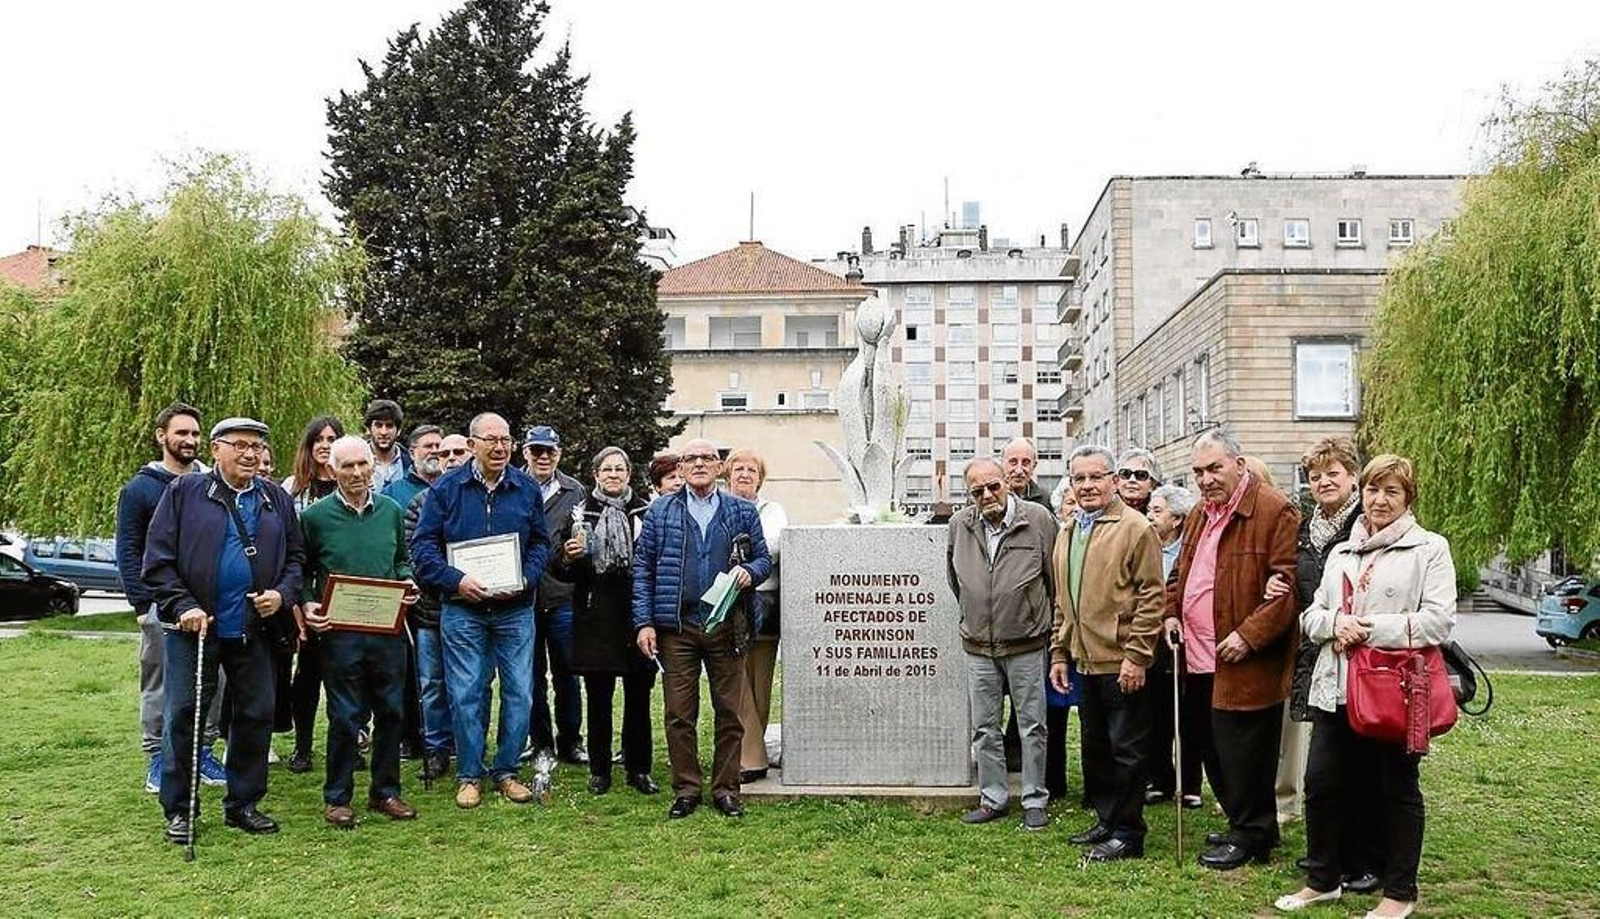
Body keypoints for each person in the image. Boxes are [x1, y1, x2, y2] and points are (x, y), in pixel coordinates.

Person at [1273, 455, 1455, 919]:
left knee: (1395, 789)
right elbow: (1310, 615)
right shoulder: (1341, 552)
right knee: (1321, 784)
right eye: (1374, 490)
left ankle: (1399, 893)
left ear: (1407, 499)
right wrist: (1335, 622)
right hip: (1335, 686)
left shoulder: (1429, 548)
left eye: (1391, 492)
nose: (1379, 500)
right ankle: (1323, 880)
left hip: (1394, 691)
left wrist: (1367, 628)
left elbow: (1437, 621)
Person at [143, 416, 303, 843]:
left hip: (255, 628)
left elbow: (296, 560)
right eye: (241, 445)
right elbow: (157, 562)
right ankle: (179, 809)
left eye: (258, 446)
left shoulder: (275, 499)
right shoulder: (184, 493)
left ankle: (243, 803)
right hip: (195, 629)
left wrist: (282, 596)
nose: (251, 454)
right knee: (185, 715)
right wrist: (184, 605)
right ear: (216, 449)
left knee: (255, 714)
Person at [1166, 429, 1300, 870]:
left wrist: (1248, 635)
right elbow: (1178, 578)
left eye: (1214, 468)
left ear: (1239, 464)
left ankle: (1253, 835)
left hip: (1244, 661)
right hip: (1198, 657)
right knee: (1213, 749)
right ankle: (1242, 823)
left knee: (1245, 753)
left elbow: (1286, 589)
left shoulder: (1273, 509)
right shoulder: (1200, 515)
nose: (1205, 479)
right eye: (1198, 472)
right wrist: (1172, 614)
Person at [411, 412, 550, 809]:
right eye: (491, 439)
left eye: (506, 439)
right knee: (466, 691)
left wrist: (527, 576)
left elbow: (540, 542)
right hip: (463, 608)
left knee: (520, 692)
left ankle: (506, 771)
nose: (500, 446)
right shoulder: (446, 490)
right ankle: (470, 774)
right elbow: (423, 548)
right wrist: (455, 580)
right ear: (472, 445)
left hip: (515, 609)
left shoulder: (525, 488)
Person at [632, 439, 772, 820]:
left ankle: (727, 788)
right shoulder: (659, 512)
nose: (698, 464)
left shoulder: (742, 511)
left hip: (728, 626)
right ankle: (687, 788)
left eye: (706, 458)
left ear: (718, 466)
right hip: (677, 628)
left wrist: (751, 572)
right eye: (690, 459)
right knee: (679, 713)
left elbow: (762, 559)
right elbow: (642, 570)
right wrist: (644, 622)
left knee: (729, 712)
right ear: (680, 467)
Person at [1265, 436, 1377, 892]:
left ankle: (1364, 859)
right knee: (1326, 768)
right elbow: (1297, 581)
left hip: (1364, 656)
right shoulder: (1305, 528)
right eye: (1315, 476)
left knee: (1363, 766)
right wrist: (1279, 586)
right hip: (1318, 650)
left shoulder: (1367, 523)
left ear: (1353, 476)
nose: (1324, 481)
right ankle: (1328, 855)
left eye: (1334, 473)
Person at [1048, 445, 1163, 860]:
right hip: (1083, 658)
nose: (1088, 485)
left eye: (1096, 477)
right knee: (1096, 747)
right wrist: (1059, 653)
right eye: (1079, 478)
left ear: (1114, 481)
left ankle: (1129, 833)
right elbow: (1063, 599)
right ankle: (1107, 818)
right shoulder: (1069, 530)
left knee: (1127, 750)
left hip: (1121, 660)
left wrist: (1137, 656)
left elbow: (1153, 596)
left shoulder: (1135, 528)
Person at [299, 436, 419, 829]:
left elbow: (401, 561)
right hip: (340, 633)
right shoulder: (315, 518)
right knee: (346, 716)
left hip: (388, 631)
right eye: (346, 466)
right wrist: (307, 602)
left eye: (362, 465)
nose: (356, 473)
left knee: (391, 711)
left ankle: (385, 792)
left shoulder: (391, 511)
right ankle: (337, 797)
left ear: (374, 466)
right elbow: (302, 570)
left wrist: (408, 582)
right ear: (332, 471)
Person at [115, 402, 227, 794]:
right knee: (162, 684)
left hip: (212, 604)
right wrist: (141, 604)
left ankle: (204, 753)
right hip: (162, 607)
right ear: (162, 436)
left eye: (196, 434)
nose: (189, 440)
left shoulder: (214, 483)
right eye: (181, 433)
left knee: (215, 682)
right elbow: (129, 548)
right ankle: (159, 758)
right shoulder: (141, 488)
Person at [947, 456, 1057, 832]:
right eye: (977, 490)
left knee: (1032, 726)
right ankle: (992, 798)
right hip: (978, 644)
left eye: (993, 486)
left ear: (1007, 483)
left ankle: (1034, 798)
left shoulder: (1038, 519)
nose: (987, 495)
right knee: (984, 727)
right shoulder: (959, 525)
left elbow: (1052, 581)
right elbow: (955, 579)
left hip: (1026, 641)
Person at [551, 447, 658, 795]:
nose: (613, 475)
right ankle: (600, 771)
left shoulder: (646, 511)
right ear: (595, 474)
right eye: (606, 469)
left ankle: (638, 768)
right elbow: (560, 568)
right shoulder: (580, 513)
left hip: (638, 616)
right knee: (599, 699)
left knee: (639, 697)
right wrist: (568, 558)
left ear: (629, 474)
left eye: (620, 469)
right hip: (595, 617)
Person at [403, 433, 472, 782]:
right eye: (442, 452)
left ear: (471, 452)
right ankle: (436, 749)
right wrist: (453, 578)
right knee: (431, 684)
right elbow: (416, 557)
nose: (450, 458)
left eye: (458, 451)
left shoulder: (479, 500)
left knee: (469, 685)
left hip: (472, 610)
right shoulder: (420, 502)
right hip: (430, 611)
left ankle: (468, 748)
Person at [280, 415, 345, 774]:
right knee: (307, 676)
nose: (325, 444)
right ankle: (302, 747)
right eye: (318, 439)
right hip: (306, 592)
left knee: (348, 676)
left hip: (345, 594)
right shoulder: (293, 489)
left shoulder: (352, 482)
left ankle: (348, 741)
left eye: (332, 438)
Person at [523, 425, 587, 765]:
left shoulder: (575, 491)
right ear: (525, 453)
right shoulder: (511, 485)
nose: (543, 457)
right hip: (522, 596)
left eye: (549, 451)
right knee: (529, 676)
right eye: (536, 451)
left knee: (568, 673)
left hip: (562, 595)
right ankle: (540, 742)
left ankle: (571, 741)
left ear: (559, 453)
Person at [383, 424, 445, 759]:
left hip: (456, 601)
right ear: (413, 452)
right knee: (418, 679)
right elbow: (402, 546)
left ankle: (446, 742)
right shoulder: (397, 491)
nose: (434, 451)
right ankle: (416, 738)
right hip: (416, 601)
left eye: (440, 445)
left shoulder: (456, 489)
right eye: (427, 446)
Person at [726, 448, 788, 783]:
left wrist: (740, 552)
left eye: (752, 469)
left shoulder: (772, 509)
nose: (745, 474)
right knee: (737, 679)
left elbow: (775, 544)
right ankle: (749, 756)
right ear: (728, 474)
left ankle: (752, 751)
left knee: (759, 681)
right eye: (738, 468)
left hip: (763, 601)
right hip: (727, 601)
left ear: (760, 478)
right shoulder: (719, 506)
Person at [1144, 484, 1205, 809]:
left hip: (1185, 641)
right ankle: (1159, 779)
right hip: (1150, 644)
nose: (1149, 516)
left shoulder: (1191, 550)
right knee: (1156, 715)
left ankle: (1190, 783)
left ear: (1178, 519)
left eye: (1156, 510)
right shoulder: (1145, 545)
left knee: (1189, 716)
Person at [363, 399, 411, 495]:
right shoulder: (355, 460)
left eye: (389, 426)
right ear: (369, 429)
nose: (383, 432)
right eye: (379, 425)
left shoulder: (411, 464)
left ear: (398, 431)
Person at [1001, 437, 1052, 509]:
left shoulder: (1044, 501)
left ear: (1034, 466)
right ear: (1002, 464)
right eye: (1013, 462)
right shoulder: (991, 496)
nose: (1019, 470)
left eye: (1025, 462)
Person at [1116, 448, 1163, 516]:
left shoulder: (1164, 514)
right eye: (1125, 474)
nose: (1132, 480)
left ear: (1152, 484)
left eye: (1141, 475)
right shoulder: (1102, 509)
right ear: (1116, 481)